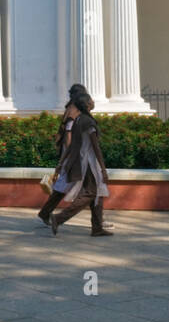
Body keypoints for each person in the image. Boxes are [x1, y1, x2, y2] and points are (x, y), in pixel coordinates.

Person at [46, 88, 113, 237]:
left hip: (79, 162)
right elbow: (96, 148)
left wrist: (61, 163)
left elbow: (72, 146)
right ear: (87, 105)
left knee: (97, 194)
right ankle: (59, 218)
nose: (93, 102)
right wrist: (103, 169)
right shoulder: (88, 122)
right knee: (90, 193)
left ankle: (97, 227)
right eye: (91, 100)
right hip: (89, 163)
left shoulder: (78, 120)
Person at [37, 84, 85, 225]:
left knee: (68, 186)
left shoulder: (71, 108)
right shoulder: (74, 110)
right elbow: (69, 132)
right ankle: (46, 212)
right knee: (67, 185)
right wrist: (70, 152)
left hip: (71, 152)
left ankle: (98, 219)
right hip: (72, 153)